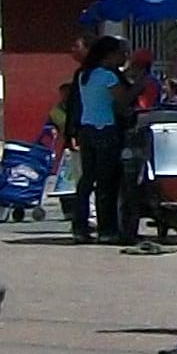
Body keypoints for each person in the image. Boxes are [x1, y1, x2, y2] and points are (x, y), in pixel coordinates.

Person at [71, 37, 131, 244]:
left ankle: (79, 227)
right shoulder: (108, 76)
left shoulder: (85, 75)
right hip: (106, 130)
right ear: (109, 55)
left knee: (87, 180)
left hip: (87, 130)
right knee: (107, 182)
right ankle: (107, 230)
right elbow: (123, 100)